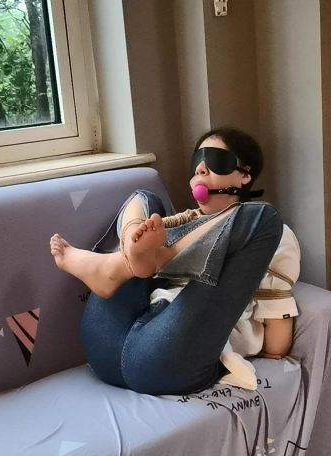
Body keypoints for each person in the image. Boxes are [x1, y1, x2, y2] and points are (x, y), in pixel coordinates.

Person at [49, 127, 301, 395]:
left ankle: (127, 264)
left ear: (245, 175)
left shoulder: (268, 234)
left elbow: (275, 344)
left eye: (215, 159)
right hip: (104, 344)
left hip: (167, 360)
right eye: (197, 163)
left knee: (264, 217)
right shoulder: (172, 226)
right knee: (145, 198)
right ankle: (125, 265)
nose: (201, 169)